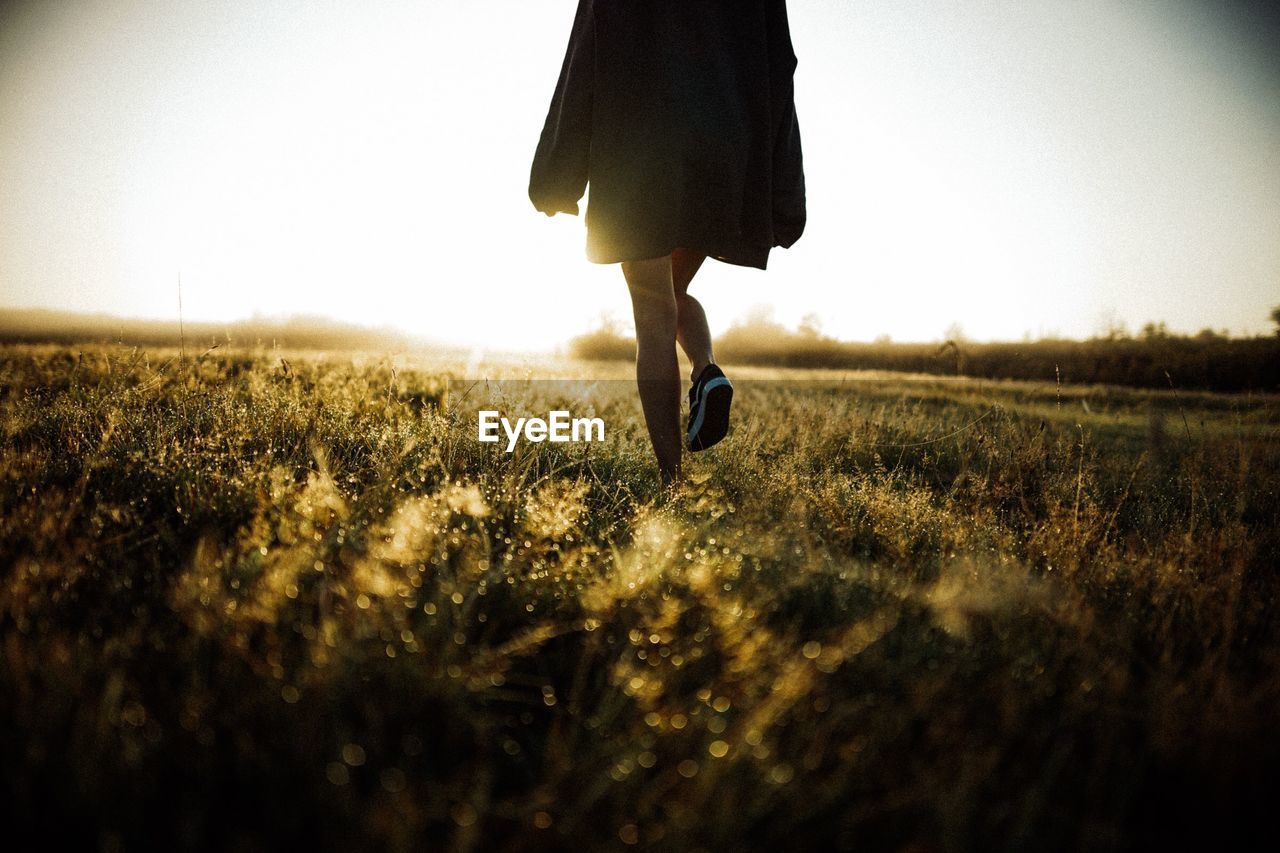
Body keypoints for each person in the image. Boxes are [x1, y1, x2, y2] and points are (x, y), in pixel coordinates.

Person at [529, 0, 806, 485]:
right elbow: (780, 64)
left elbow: (585, 52)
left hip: (638, 142)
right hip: (722, 144)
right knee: (670, 295)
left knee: (652, 316)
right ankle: (705, 371)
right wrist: (784, 194)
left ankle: (672, 484)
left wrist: (556, 174)